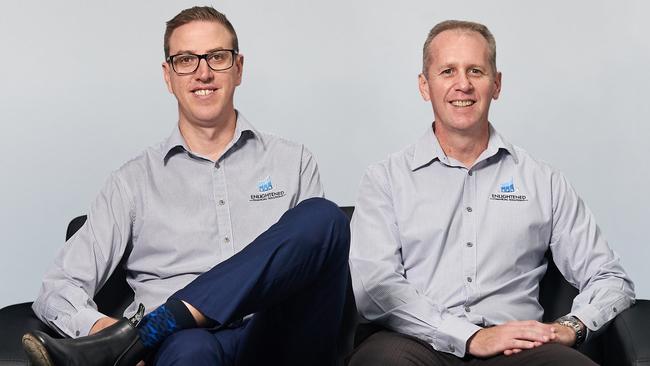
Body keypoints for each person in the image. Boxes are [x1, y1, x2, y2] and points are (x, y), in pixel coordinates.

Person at [22, 6, 350, 366]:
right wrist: (102, 331)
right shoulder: (132, 182)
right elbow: (57, 288)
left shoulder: (294, 161)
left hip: (277, 337)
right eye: (186, 60)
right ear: (168, 75)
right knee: (190, 350)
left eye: (217, 57)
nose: (203, 72)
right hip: (186, 348)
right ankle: (140, 339)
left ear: (238, 68)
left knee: (325, 218)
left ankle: (151, 330)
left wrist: (141, 335)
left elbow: (316, 268)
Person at [347, 20, 635, 366]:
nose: (463, 84)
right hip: (416, 344)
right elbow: (376, 291)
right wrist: (469, 336)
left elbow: (609, 276)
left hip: (517, 348)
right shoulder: (385, 180)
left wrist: (573, 326)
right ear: (425, 86)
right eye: (448, 71)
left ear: (496, 84)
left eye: (476, 71)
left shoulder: (543, 181)